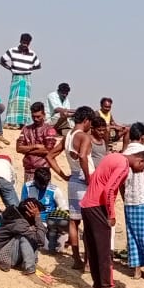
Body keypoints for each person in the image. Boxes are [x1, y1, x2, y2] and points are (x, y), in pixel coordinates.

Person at [80, 143, 144, 288]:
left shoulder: (112, 156)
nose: (140, 171)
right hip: (98, 206)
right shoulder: (123, 165)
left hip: (87, 204)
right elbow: (109, 190)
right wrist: (111, 214)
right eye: (142, 168)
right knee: (104, 250)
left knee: (93, 248)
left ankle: (98, 286)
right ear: (140, 160)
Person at [0, 199, 54, 285]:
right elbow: (40, 240)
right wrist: (37, 218)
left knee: (33, 233)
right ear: (29, 213)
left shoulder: (20, 218)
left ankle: (31, 263)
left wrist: (36, 222)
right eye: (36, 213)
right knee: (26, 237)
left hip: (5, 251)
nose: (37, 215)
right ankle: (29, 269)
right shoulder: (18, 222)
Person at [63, 107, 96, 268]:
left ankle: (76, 260)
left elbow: (50, 156)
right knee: (89, 223)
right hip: (84, 179)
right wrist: (89, 179)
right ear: (87, 120)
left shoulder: (68, 136)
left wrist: (63, 175)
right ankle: (88, 261)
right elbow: (83, 156)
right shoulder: (84, 136)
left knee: (74, 221)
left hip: (73, 178)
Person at [121, 140, 144, 283]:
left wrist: (124, 198)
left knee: (132, 236)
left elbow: (120, 183)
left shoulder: (124, 156)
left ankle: (136, 270)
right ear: (143, 137)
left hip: (129, 200)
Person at [17, 101, 64, 184]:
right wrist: (35, 146)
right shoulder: (26, 129)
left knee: (44, 195)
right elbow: (18, 148)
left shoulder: (49, 130)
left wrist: (27, 150)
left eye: (38, 116)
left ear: (44, 115)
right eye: (33, 116)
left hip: (43, 170)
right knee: (29, 195)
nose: (35, 119)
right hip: (29, 170)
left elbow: (48, 150)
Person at [0, 33, 40, 127]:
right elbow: (1, 61)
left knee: (25, 101)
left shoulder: (32, 53)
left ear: (29, 43)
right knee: (14, 99)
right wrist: (10, 68)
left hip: (26, 77)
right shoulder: (12, 51)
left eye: (27, 43)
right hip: (16, 76)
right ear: (20, 41)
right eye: (24, 42)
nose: (25, 44)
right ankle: (10, 122)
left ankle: (22, 123)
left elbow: (38, 65)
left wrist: (28, 69)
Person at [20, 166, 63, 252]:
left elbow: (63, 209)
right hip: (32, 223)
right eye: (41, 184)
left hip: (49, 223)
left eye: (46, 184)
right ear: (35, 179)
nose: (43, 186)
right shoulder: (27, 187)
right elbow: (22, 206)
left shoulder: (55, 190)